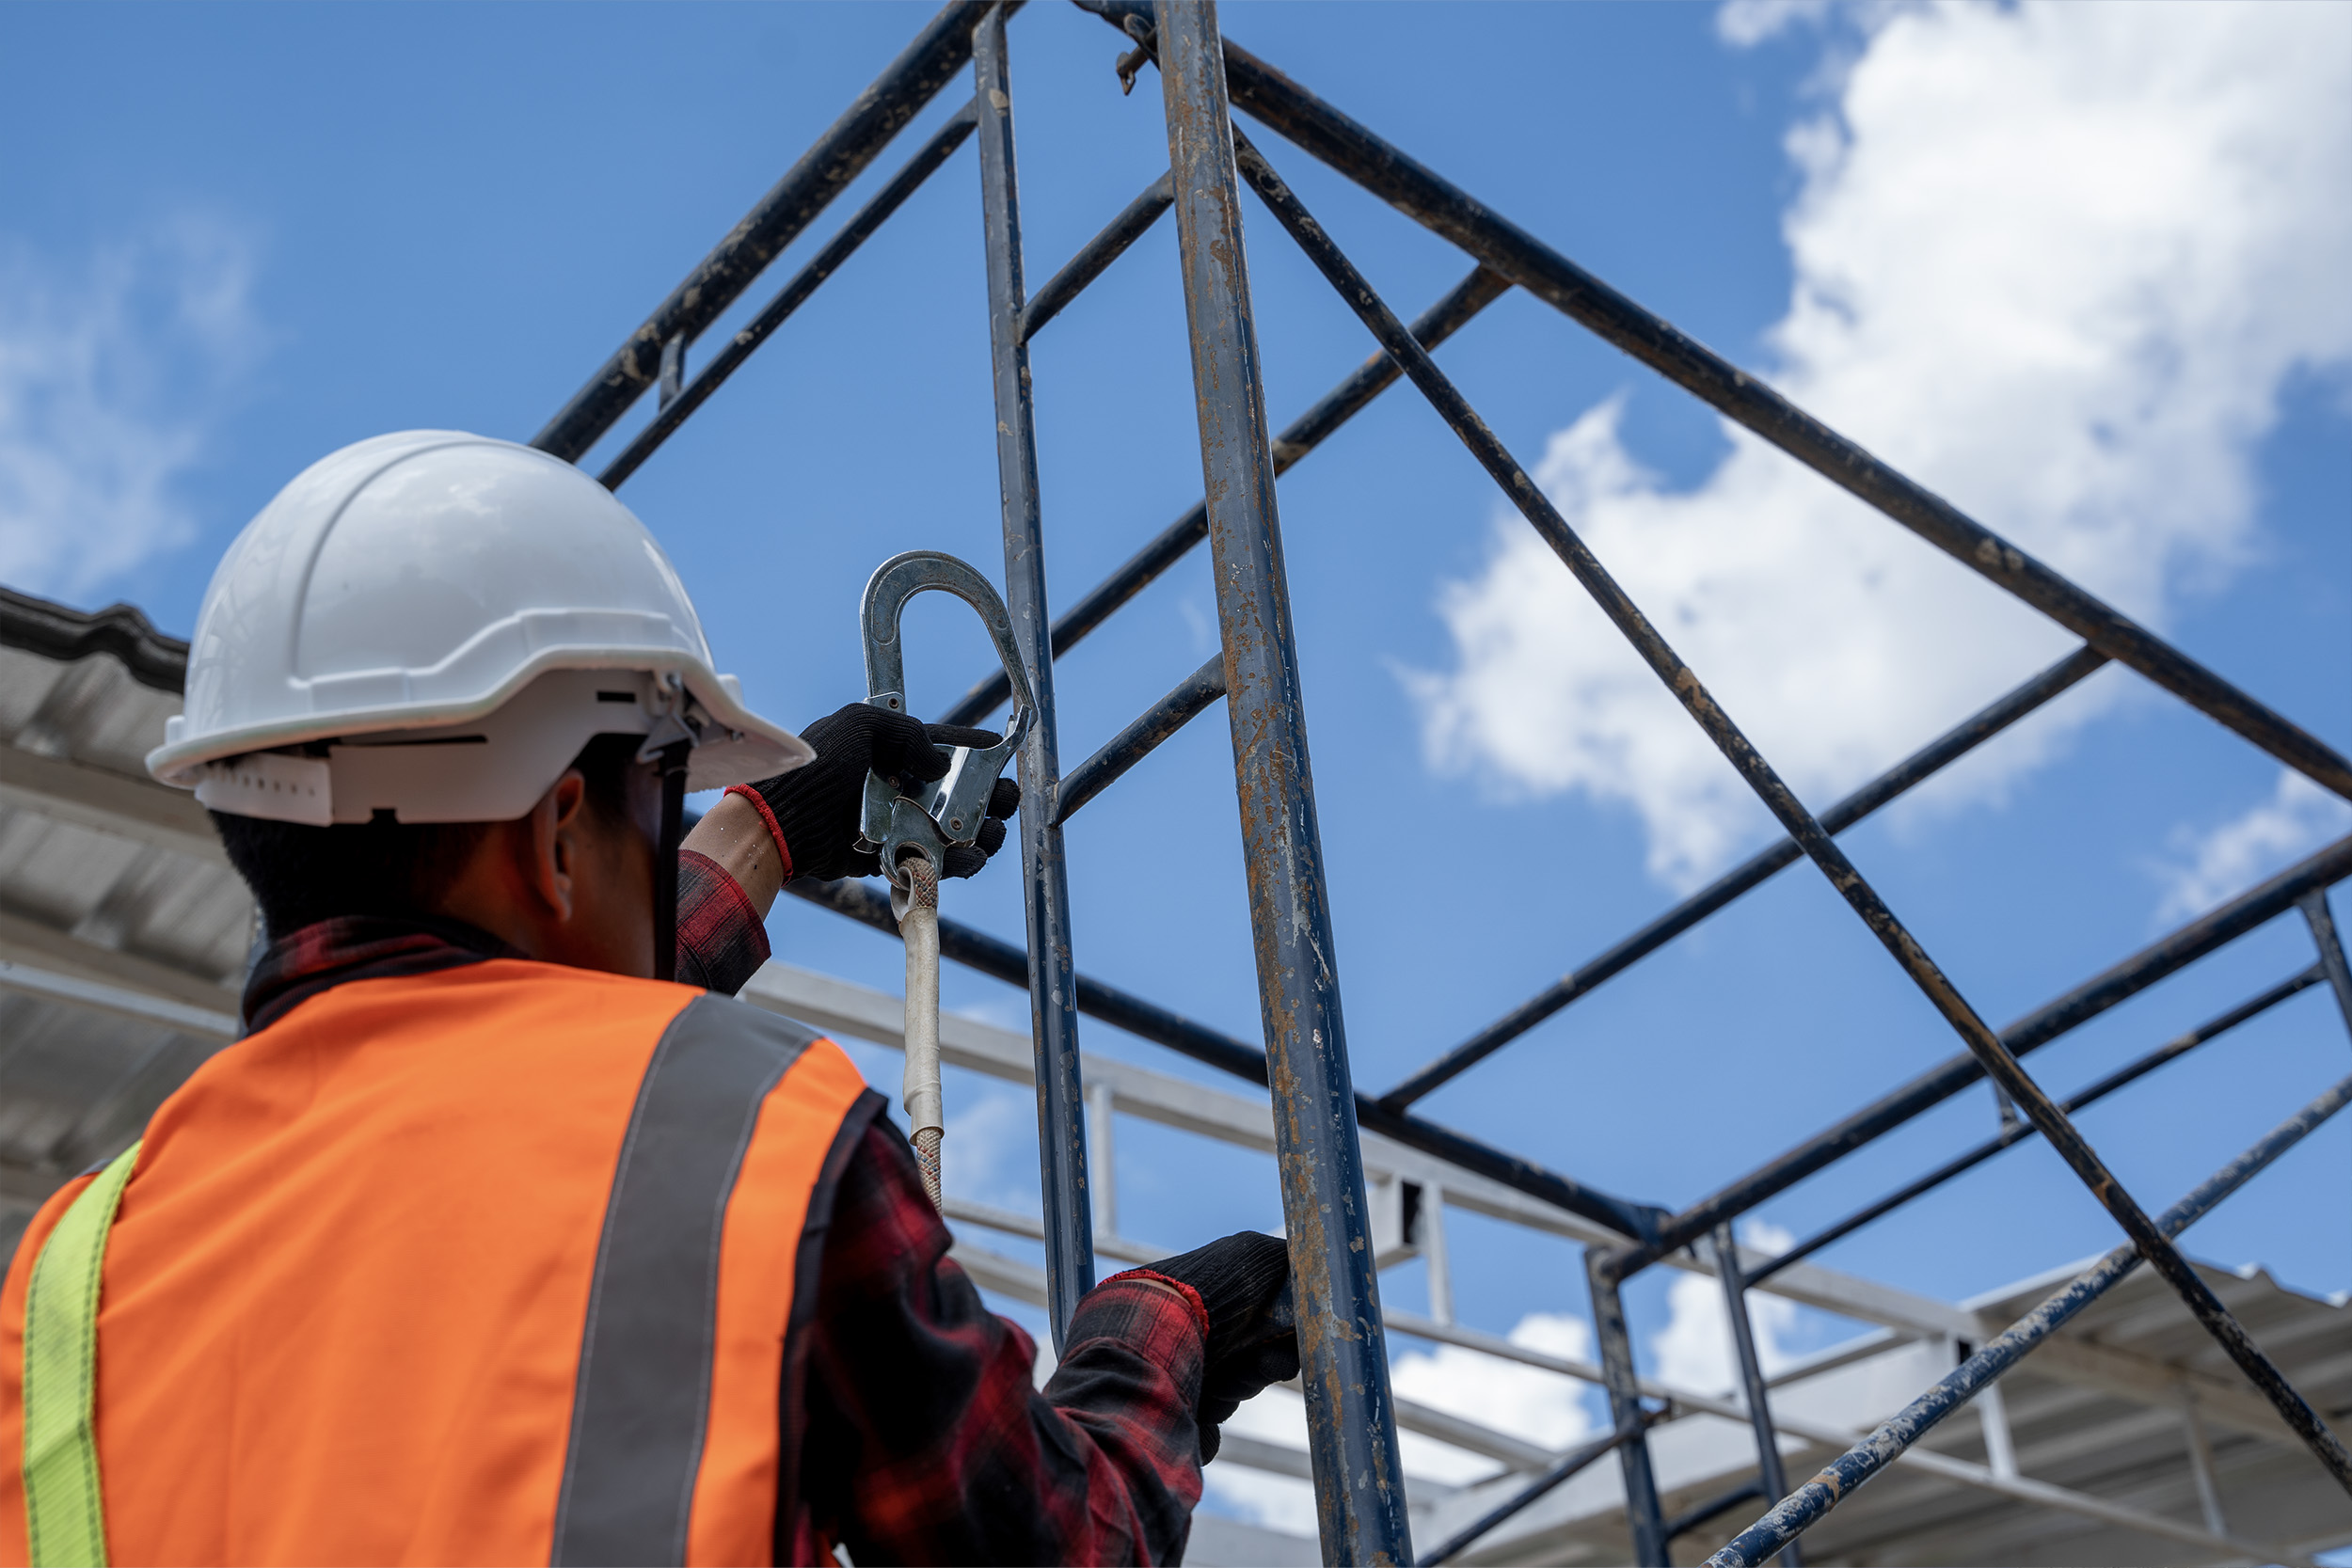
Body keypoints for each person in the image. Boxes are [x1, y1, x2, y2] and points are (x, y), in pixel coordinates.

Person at [0, 432, 1296, 1567]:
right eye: (660, 785)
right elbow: (1047, 1549)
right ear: (564, 828)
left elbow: (506, 1060)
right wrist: (1165, 1328)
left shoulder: (75, 1273)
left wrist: (765, 830)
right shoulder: (761, 1140)